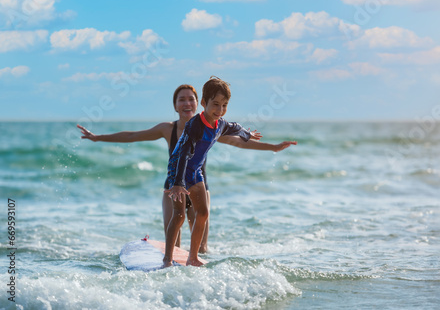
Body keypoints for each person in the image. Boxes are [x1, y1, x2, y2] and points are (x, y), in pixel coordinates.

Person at [77, 84, 262, 253]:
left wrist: (273, 147)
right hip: (174, 186)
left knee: (202, 248)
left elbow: (239, 139)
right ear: (175, 106)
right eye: (181, 99)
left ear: (199, 104)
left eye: (191, 99)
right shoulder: (168, 129)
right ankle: (171, 269)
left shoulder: (212, 126)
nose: (187, 103)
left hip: (199, 185)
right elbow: (133, 135)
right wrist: (98, 137)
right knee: (174, 245)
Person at [164, 76, 297, 267]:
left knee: (203, 213)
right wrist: (177, 183)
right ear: (203, 103)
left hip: (195, 171)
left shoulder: (220, 124)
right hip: (178, 168)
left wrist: (247, 134)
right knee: (179, 216)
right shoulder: (195, 125)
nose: (220, 110)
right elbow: (184, 152)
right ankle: (167, 259)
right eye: (215, 104)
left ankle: (192, 257)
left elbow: (235, 127)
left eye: (224, 105)